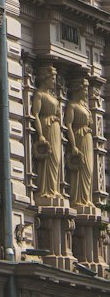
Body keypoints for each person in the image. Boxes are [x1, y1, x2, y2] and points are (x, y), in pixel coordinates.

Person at [32, 64, 63, 200]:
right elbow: (36, 114)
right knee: (48, 158)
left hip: (55, 128)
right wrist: (40, 135)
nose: (54, 81)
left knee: (56, 159)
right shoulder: (39, 94)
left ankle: (54, 188)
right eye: (52, 78)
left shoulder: (53, 97)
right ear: (45, 78)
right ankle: (46, 189)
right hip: (46, 126)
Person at [65, 75, 94, 209]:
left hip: (87, 138)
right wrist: (74, 145)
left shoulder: (84, 107)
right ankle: (78, 199)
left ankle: (86, 198)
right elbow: (69, 124)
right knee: (80, 168)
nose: (86, 92)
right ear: (78, 89)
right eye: (84, 89)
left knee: (88, 169)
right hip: (79, 137)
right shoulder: (72, 105)